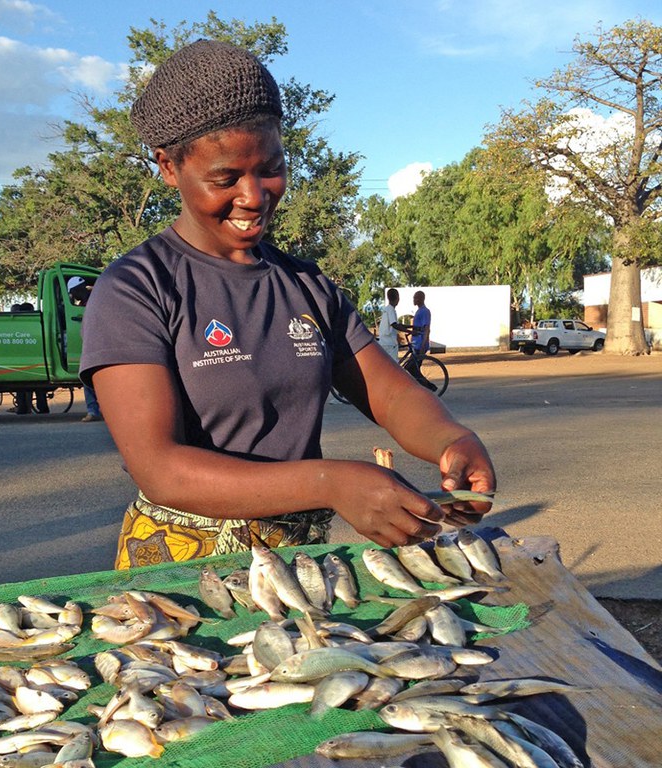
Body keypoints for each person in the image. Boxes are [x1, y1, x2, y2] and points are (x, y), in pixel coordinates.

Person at [80, 39, 496, 569]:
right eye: (225, 178)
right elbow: (160, 469)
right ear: (168, 166)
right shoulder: (137, 288)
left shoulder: (305, 285)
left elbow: (389, 395)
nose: (254, 195)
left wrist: (453, 440)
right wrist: (331, 482)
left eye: (270, 168)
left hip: (298, 560)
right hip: (182, 568)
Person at [67, 276, 102, 423]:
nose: (73, 297)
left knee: (89, 377)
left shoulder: (95, 302)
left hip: (99, 345)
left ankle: (93, 410)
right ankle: (94, 410)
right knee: (88, 378)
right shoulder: (85, 303)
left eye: (73, 293)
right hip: (91, 344)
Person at [9, 302, 50, 415]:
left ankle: (22, 408)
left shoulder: (15, 326)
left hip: (21, 362)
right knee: (39, 387)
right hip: (36, 362)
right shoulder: (35, 324)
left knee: (22, 386)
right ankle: (42, 408)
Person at [378, 288, 411, 360]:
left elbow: (397, 324)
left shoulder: (388, 309)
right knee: (393, 365)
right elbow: (394, 325)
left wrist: (412, 326)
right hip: (389, 343)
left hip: (385, 341)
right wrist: (410, 331)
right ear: (397, 298)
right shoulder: (391, 310)